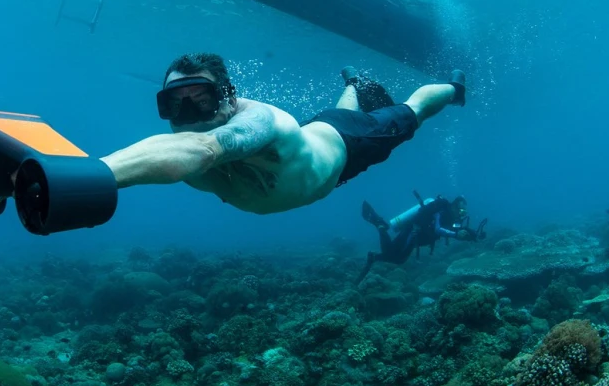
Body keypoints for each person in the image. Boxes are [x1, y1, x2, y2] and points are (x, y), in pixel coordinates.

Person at [95, 52, 467, 216]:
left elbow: (205, 148)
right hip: (315, 137)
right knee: (336, 112)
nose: (188, 116)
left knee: (413, 111)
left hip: (351, 143)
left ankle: (455, 89)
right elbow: (178, 151)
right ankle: (354, 83)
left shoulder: (260, 121)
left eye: (202, 101)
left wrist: (92, 175)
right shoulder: (174, 147)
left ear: (229, 98)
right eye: (175, 105)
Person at [357, 191, 487, 283]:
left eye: (464, 212)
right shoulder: (441, 210)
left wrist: (474, 234)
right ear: (454, 205)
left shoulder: (450, 218)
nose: (462, 214)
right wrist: (456, 234)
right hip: (411, 231)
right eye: (461, 211)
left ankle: (373, 257)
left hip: (416, 238)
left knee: (399, 259)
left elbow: (457, 229)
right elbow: (438, 229)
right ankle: (380, 225)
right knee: (390, 252)